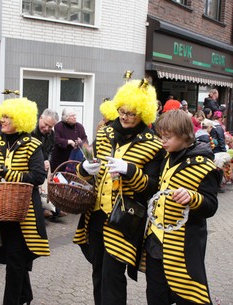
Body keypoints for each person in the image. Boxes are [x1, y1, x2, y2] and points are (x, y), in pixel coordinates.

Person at [75, 79, 166, 305]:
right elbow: (89, 166)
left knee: (113, 275)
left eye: (131, 113)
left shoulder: (153, 144)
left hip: (124, 218)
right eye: (121, 111)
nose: (124, 117)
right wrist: (85, 169)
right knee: (98, 272)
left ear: (143, 113)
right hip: (96, 216)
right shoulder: (105, 133)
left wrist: (130, 171)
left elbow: (153, 186)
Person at [0, 97, 50, 305]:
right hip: (0, 209)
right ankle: (25, 296)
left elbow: (38, 177)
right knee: (13, 256)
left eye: (8, 117)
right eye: (2, 115)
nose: (2, 120)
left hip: (24, 212)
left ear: (20, 119)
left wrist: (10, 174)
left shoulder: (32, 144)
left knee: (16, 259)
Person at [145, 109, 220, 305]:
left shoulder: (204, 166)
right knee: (155, 297)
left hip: (183, 246)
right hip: (155, 242)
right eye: (162, 136)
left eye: (168, 137)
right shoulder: (167, 157)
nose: (163, 141)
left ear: (185, 136)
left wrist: (192, 198)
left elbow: (211, 206)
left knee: (190, 296)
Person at [31, 109, 59, 218]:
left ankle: (51, 210)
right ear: (40, 118)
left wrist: (48, 160)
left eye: (50, 127)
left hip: (43, 167)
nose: (47, 128)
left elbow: (51, 150)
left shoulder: (51, 134)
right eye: (45, 124)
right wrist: (39, 162)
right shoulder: (30, 131)